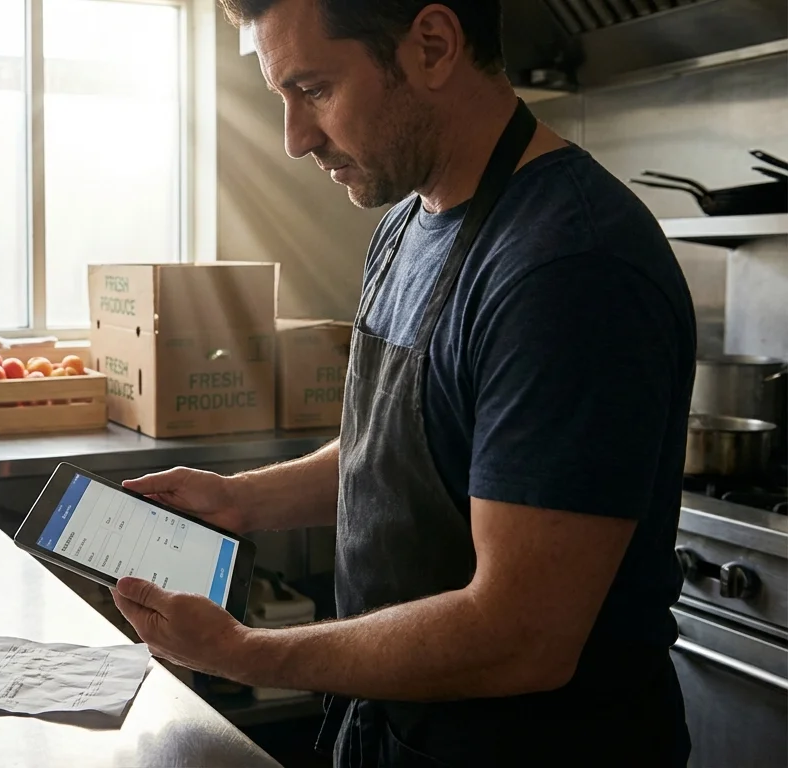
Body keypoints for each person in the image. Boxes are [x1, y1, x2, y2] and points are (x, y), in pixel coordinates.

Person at [107, 1, 695, 766]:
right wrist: (244, 500)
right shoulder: (408, 222)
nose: (294, 138)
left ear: (434, 45)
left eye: (314, 90)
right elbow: (407, 445)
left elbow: (522, 637)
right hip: (397, 733)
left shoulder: (570, 271)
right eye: (282, 96)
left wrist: (245, 654)